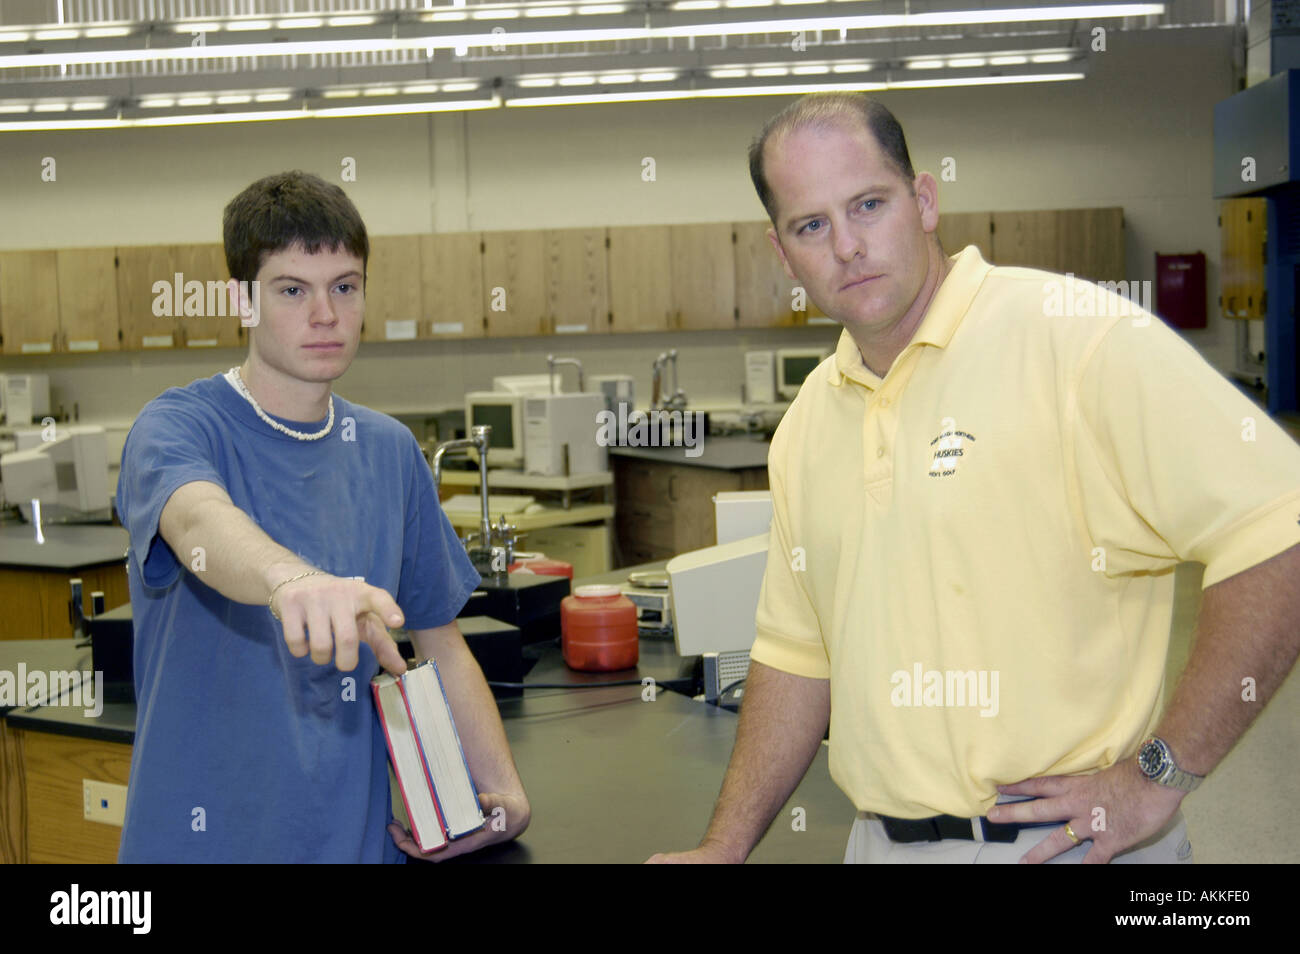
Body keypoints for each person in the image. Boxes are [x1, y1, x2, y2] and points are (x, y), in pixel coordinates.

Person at [649, 92, 1300, 864]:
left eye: (868, 204)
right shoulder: (807, 429)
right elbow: (798, 657)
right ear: (782, 253)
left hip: (1063, 848)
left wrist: (1160, 773)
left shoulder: (1076, 341)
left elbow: (1279, 527)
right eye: (812, 225)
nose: (848, 246)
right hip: (877, 845)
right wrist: (722, 847)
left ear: (924, 201)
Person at [116, 170, 529, 862]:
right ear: (242, 300)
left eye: (344, 286)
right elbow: (196, 522)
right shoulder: (176, 428)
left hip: (355, 847)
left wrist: (501, 791)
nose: (325, 314)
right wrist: (289, 581)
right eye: (291, 290)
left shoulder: (389, 451)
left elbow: (439, 643)